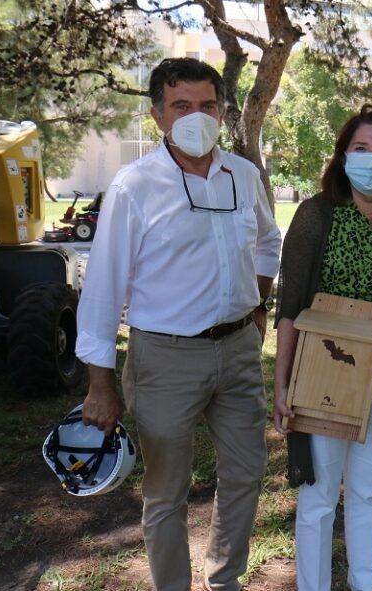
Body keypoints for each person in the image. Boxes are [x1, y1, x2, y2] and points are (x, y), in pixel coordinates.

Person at [77, 57, 282, 591]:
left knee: (245, 471)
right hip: (164, 358)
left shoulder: (243, 173)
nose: (197, 116)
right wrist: (99, 382)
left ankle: (224, 577)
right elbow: (103, 286)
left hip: (238, 349)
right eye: (181, 106)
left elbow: (267, 242)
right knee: (166, 491)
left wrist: (256, 305)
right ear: (158, 116)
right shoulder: (134, 185)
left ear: (222, 110)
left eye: (207, 105)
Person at [272, 104, 372, 591]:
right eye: (361, 149)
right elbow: (290, 306)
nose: (371, 159)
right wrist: (281, 385)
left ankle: (366, 584)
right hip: (321, 376)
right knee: (319, 496)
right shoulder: (316, 214)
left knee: (367, 491)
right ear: (341, 156)